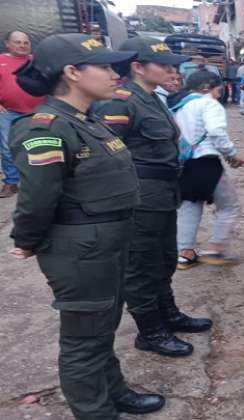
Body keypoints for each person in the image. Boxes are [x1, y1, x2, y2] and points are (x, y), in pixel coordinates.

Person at [8, 33, 164, 419]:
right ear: (73, 72)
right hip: (80, 249)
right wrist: (26, 240)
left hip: (106, 243)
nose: (116, 74)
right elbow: (37, 198)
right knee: (83, 339)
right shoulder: (45, 128)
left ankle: (113, 392)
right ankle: (95, 411)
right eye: (107, 67)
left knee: (101, 329)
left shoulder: (87, 121)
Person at [96, 36, 213, 358]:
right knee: (141, 265)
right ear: (137, 67)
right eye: (162, 64)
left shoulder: (153, 97)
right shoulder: (120, 101)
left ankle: (169, 315)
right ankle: (150, 330)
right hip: (140, 197)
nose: (171, 69)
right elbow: (106, 154)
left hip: (162, 193)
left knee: (162, 260)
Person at [169, 70, 244, 269]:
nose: (221, 91)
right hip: (206, 161)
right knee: (230, 205)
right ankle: (217, 249)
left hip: (185, 163)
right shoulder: (208, 103)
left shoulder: (179, 105)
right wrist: (231, 154)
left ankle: (184, 253)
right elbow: (216, 132)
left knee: (189, 205)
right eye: (219, 87)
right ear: (206, 88)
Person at [0, 30, 44, 198]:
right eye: (17, 42)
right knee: (7, 148)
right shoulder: (1, 61)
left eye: (26, 42)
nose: (22, 45)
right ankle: (11, 183)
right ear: (7, 44)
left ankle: (38, 181)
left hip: (38, 112)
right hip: (8, 113)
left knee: (40, 145)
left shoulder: (36, 62)